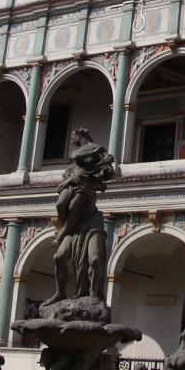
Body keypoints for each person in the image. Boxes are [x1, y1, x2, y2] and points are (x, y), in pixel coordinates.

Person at [45, 129, 115, 305]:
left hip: (91, 224)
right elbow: (73, 161)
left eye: (73, 136)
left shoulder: (89, 182)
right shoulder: (73, 173)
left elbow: (107, 167)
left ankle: (93, 292)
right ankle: (60, 292)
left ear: (80, 135)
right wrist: (69, 181)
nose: (71, 139)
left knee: (95, 259)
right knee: (58, 258)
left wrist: (61, 234)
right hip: (73, 227)